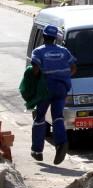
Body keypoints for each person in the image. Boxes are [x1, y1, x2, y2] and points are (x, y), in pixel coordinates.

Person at [30, 24, 77, 164]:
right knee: (57, 117)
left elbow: (35, 70)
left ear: (44, 37)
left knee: (40, 117)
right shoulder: (64, 51)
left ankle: (37, 150)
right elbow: (73, 68)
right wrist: (64, 77)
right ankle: (62, 144)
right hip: (61, 88)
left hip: (45, 89)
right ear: (55, 38)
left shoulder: (38, 52)